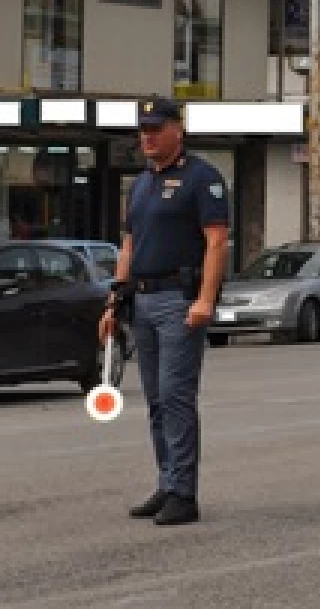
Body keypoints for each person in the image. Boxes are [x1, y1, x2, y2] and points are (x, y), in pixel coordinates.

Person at [100, 96, 231, 527]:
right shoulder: (139, 184)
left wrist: (206, 299)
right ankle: (167, 481)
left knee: (176, 396)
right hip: (143, 299)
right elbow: (130, 246)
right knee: (156, 399)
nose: (148, 137)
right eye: (144, 130)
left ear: (179, 130)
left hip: (180, 299)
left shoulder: (202, 179)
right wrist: (114, 303)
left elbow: (215, 242)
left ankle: (185, 494)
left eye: (157, 128)